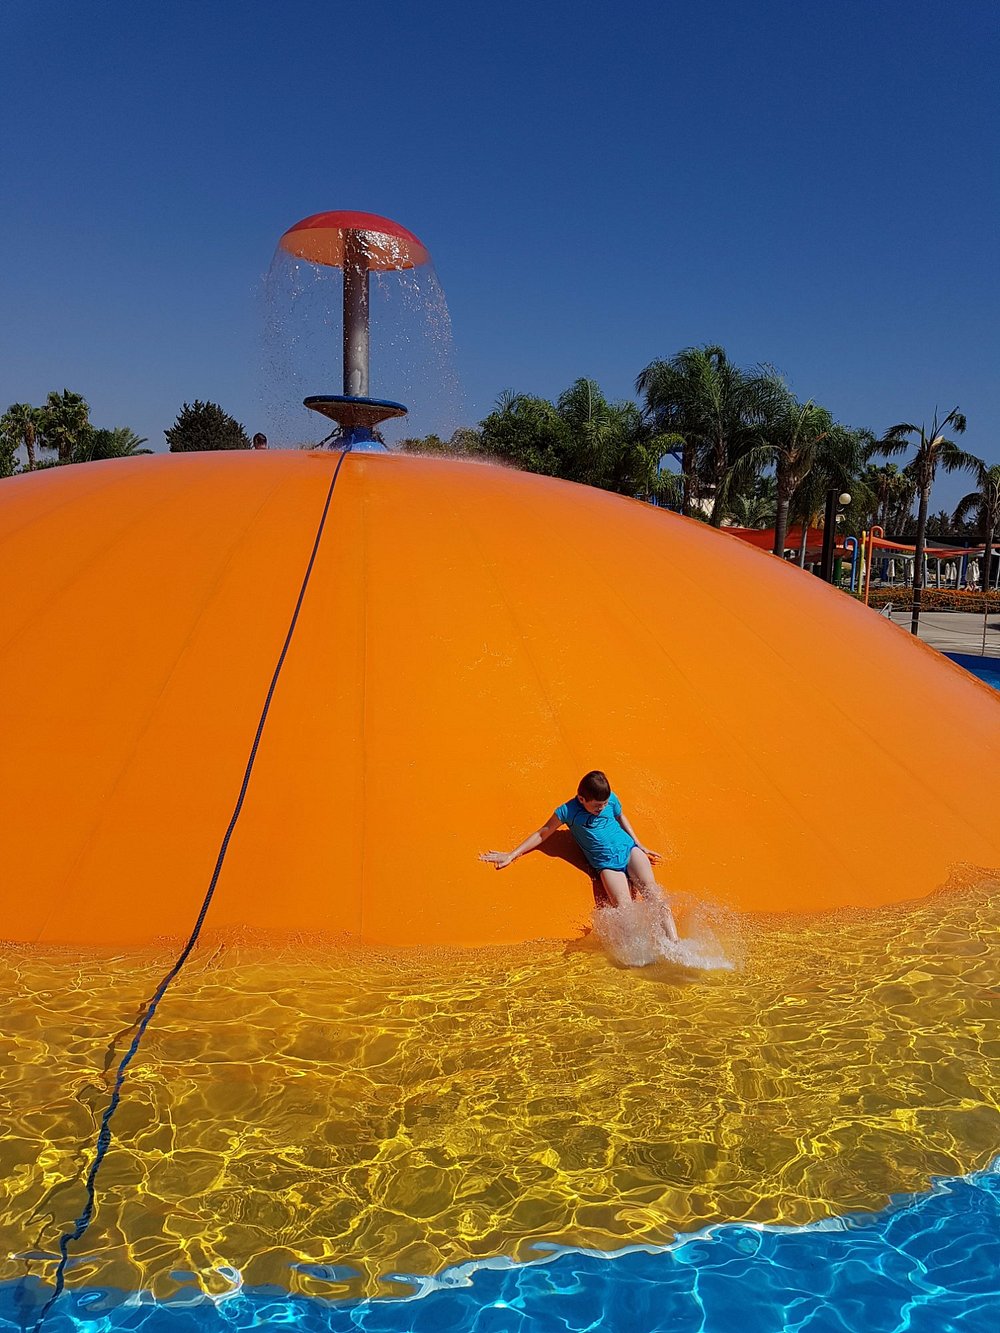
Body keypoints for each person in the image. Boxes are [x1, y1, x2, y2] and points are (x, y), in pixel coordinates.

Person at [480, 769, 678, 940]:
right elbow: (543, 832)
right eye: (596, 806)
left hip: (629, 851)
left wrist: (639, 844)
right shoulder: (567, 811)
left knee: (654, 895)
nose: (601, 809)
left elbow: (620, 816)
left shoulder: (609, 800)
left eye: (604, 804)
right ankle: (642, 955)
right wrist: (511, 854)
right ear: (582, 799)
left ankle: (674, 945)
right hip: (607, 865)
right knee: (624, 909)